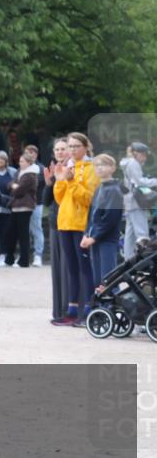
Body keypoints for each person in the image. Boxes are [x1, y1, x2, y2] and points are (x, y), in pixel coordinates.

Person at [52, 131, 99, 326]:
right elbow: (60, 198)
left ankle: (88, 309)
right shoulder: (68, 165)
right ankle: (71, 310)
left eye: (75, 146)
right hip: (65, 222)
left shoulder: (91, 168)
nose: (71, 150)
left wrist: (71, 181)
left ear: (85, 147)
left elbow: (88, 198)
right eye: (69, 147)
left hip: (81, 223)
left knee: (84, 267)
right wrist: (59, 180)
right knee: (71, 268)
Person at [81, 153, 123, 300]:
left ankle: (116, 307)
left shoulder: (114, 190)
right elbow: (92, 214)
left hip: (107, 240)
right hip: (95, 239)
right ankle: (103, 310)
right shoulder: (99, 188)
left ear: (112, 168)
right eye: (97, 165)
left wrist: (94, 236)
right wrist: (86, 234)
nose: (99, 168)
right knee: (98, 279)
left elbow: (110, 218)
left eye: (103, 165)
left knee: (108, 278)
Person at [44, 138, 71, 324]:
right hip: (55, 222)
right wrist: (48, 183)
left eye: (63, 149)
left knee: (69, 269)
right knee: (57, 270)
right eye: (57, 150)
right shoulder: (54, 170)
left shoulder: (73, 170)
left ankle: (70, 310)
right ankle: (59, 312)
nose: (60, 152)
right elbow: (46, 201)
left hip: (71, 223)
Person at [120, 142, 157, 261]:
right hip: (136, 202)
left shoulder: (127, 163)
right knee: (142, 233)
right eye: (144, 155)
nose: (145, 158)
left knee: (130, 236)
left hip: (130, 202)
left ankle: (128, 260)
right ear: (137, 153)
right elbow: (140, 182)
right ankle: (143, 262)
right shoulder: (133, 163)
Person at [2, 152, 38, 268]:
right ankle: (9, 258)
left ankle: (24, 260)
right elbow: (10, 185)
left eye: (22, 161)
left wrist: (15, 187)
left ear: (28, 162)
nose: (20, 163)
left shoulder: (30, 175)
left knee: (23, 234)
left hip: (25, 206)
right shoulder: (19, 172)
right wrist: (14, 186)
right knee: (10, 232)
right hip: (15, 206)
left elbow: (20, 190)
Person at [24, 144, 47, 267]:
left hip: (36, 203)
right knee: (24, 230)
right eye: (27, 153)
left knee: (36, 229)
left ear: (36, 155)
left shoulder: (41, 169)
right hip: (22, 204)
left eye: (32, 153)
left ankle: (38, 255)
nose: (30, 155)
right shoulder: (21, 168)